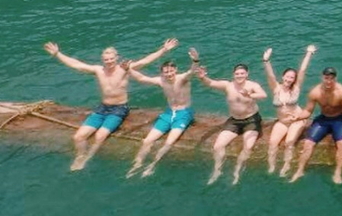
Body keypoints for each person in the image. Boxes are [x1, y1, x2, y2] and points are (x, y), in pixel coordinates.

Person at [42, 39, 178, 170]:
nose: (109, 62)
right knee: (78, 136)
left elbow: (146, 60)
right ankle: (80, 156)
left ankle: (88, 157)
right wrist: (58, 54)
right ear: (103, 60)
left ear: (116, 58)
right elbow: (76, 65)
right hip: (102, 108)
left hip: (119, 109)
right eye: (106, 60)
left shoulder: (125, 69)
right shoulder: (98, 70)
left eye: (111, 59)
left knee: (100, 135)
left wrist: (164, 49)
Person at [124, 47, 199, 178]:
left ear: (175, 70)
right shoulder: (161, 81)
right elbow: (141, 78)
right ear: (162, 73)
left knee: (169, 142)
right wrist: (128, 69)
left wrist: (196, 60)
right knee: (147, 141)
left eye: (171, 71)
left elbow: (192, 72)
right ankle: (137, 164)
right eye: (166, 72)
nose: (169, 74)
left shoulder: (182, 79)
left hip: (183, 114)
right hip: (169, 113)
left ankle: (152, 165)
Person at [195, 57, 268, 185]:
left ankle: (237, 172)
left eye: (242, 73)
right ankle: (217, 170)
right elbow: (211, 83)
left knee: (248, 146)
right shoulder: (228, 85)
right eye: (237, 73)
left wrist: (249, 95)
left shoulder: (252, 85)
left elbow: (263, 95)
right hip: (234, 121)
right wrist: (202, 77)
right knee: (218, 146)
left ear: (247, 74)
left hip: (251, 120)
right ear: (233, 74)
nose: (239, 76)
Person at [290, 66, 342, 184]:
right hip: (324, 119)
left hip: (340, 119)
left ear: (335, 79)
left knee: (341, 144)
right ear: (322, 78)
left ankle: (338, 172)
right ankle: (300, 170)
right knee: (308, 143)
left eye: (331, 78)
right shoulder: (315, 92)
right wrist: (298, 117)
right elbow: (308, 111)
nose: (329, 81)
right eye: (326, 78)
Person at [262, 44, 315, 177]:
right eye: (287, 76)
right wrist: (266, 61)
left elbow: (302, 71)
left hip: (297, 120)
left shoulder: (296, 88)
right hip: (282, 121)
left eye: (292, 77)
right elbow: (270, 76)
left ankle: (286, 165)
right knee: (273, 143)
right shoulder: (276, 88)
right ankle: (271, 165)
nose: (289, 79)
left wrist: (308, 53)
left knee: (289, 142)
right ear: (283, 77)